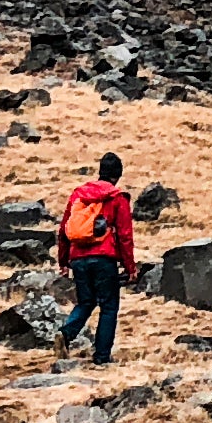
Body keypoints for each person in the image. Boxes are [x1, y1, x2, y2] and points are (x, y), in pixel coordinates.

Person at [55, 152, 136, 366]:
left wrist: (63, 262)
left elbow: (63, 230)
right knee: (108, 306)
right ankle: (101, 357)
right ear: (118, 175)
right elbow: (125, 235)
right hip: (104, 258)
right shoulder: (117, 197)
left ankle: (66, 333)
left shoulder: (78, 195)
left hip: (78, 258)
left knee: (86, 302)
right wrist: (130, 267)